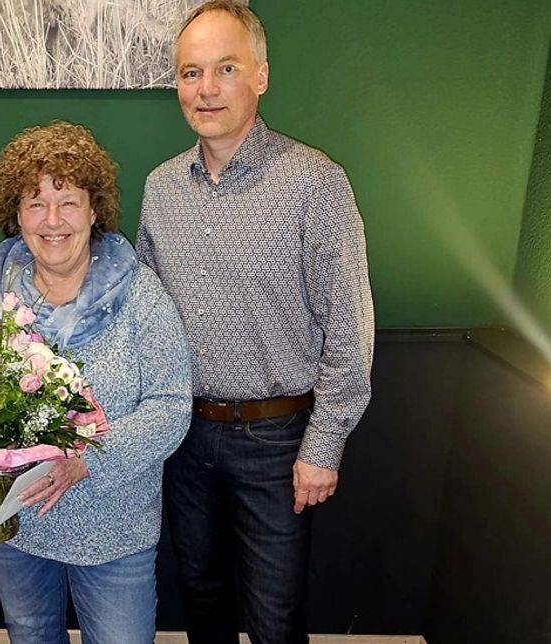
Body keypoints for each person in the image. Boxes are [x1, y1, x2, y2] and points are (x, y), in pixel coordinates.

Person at [136, 3, 375, 643]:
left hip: (277, 441)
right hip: (184, 436)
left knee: (274, 617)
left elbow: (349, 325)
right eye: (190, 73)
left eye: (225, 68)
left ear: (261, 76)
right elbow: (147, 318)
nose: (205, 89)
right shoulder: (161, 189)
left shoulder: (315, 182)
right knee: (201, 598)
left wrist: (324, 445)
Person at [0, 121, 192, 644]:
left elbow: (170, 407)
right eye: (35, 203)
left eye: (69, 202)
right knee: (30, 635)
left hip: (114, 530)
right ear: (16, 214)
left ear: (95, 209)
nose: (52, 220)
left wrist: (84, 461)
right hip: (17, 528)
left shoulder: (141, 296)